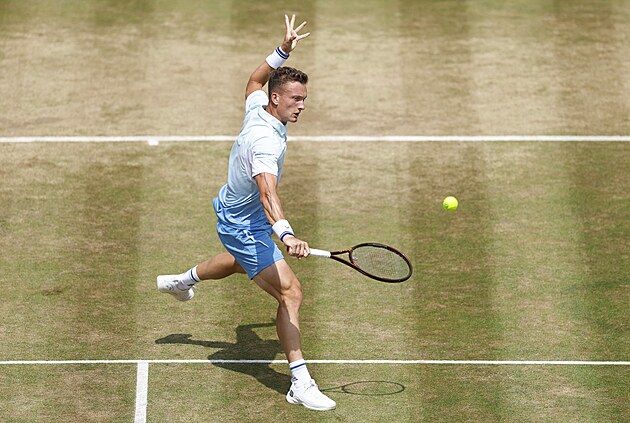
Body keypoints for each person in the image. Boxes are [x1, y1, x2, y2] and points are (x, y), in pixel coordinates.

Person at [157, 15, 336, 411]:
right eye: (295, 99)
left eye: (304, 99)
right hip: (244, 224)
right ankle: (300, 382)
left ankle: (182, 281)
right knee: (291, 292)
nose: (302, 106)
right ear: (277, 99)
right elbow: (268, 192)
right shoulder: (264, 143)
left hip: (237, 215)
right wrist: (286, 234)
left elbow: (255, 81)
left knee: (242, 263)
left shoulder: (259, 106)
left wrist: (282, 51)